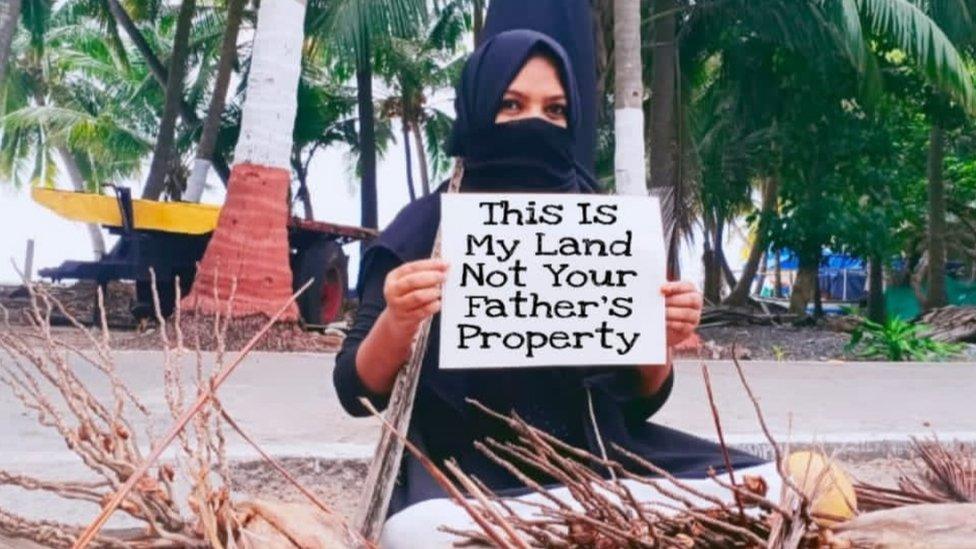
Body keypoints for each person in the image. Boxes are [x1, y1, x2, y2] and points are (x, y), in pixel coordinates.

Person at [334, 30, 771, 545]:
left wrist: (659, 338)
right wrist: (398, 320)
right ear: (477, 110)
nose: (535, 124)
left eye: (555, 110)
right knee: (421, 536)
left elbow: (640, 402)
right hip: (462, 475)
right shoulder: (423, 230)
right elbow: (355, 390)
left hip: (603, 463)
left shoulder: (602, 227)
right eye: (512, 105)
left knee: (777, 488)